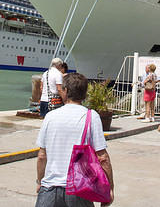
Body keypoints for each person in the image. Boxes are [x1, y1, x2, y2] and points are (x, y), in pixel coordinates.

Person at [36, 72, 114, 207]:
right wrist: (109, 189)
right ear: (84, 94)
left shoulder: (50, 116)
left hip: (49, 188)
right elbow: (103, 158)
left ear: (65, 91)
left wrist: (39, 181)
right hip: (78, 189)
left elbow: (42, 156)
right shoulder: (91, 116)